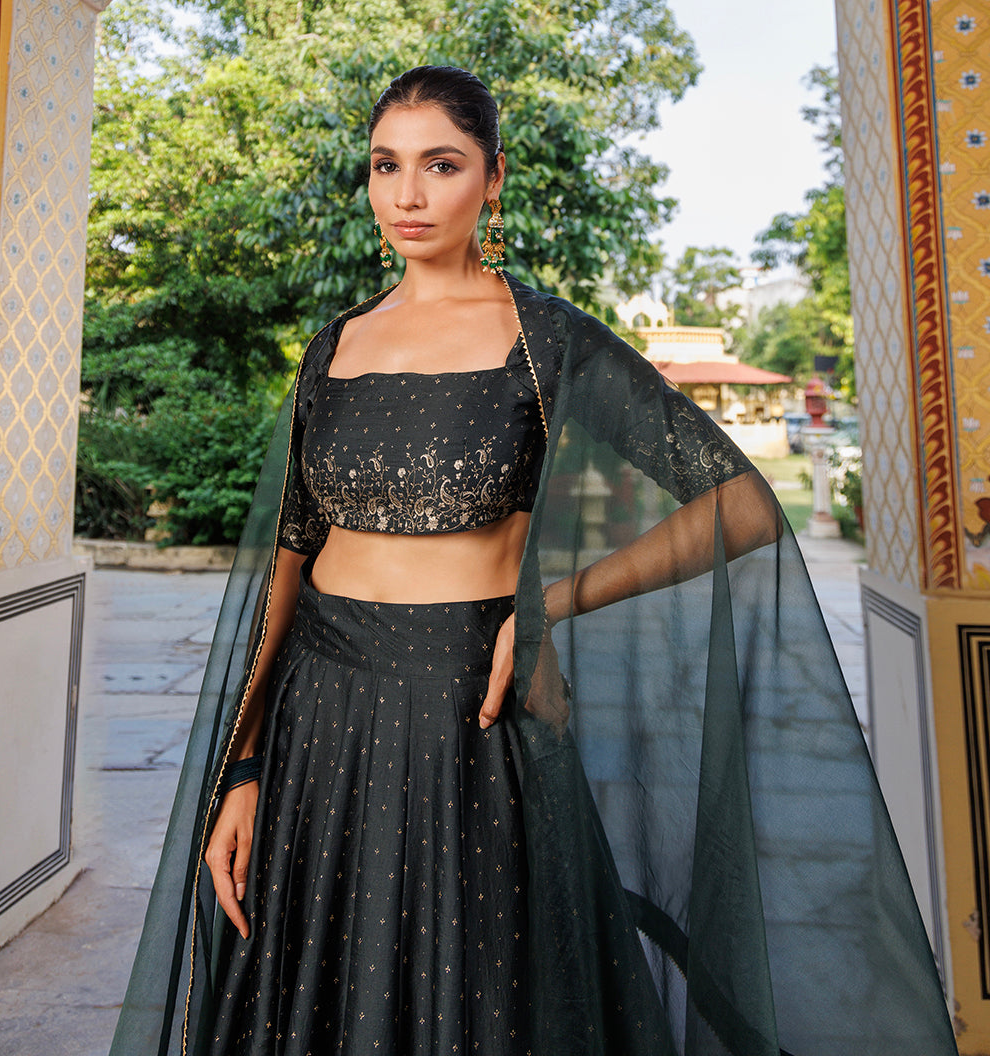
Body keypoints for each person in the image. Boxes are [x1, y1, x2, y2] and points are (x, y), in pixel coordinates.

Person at [110, 66, 957, 1056]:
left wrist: (553, 601)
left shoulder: (544, 337)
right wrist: (243, 767)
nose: (409, 196)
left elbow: (742, 504)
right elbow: (291, 567)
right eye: (387, 167)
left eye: (441, 165)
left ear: (493, 178)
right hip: (320, 724)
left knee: (478, 1003)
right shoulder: (332, 347)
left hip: (471, 717)